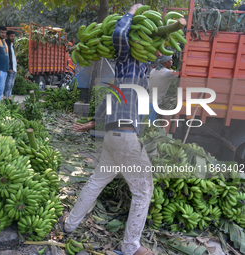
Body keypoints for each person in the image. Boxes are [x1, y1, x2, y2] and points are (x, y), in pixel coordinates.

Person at [63, 4, 158, 255]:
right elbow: (118, 36)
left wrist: (93, 123)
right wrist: (132, 12)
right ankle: (130, 247)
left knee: (96, 182)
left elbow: (109, 99)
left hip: (113, 137)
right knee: (143, 191)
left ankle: (70, 224)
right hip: (126, 139)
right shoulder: (129, 61)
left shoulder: (138, 71)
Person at [148, 55, 177, 122]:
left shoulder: (153, 71)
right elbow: (181, 74)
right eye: (171, 60)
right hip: (153, 103)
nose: (172, 62)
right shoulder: (167, 73)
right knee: (148, 124)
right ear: (165, 62)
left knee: (144, 123)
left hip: (148, 99)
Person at [3, 30, 17, 100]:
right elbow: (6, 57)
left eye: (14, 36)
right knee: (8, 86)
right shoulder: (6, 44)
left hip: (14, 68)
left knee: (11, 85)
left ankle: (9, 100)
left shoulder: (12, 45)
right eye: (11, 36)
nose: (13, 38)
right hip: (10, 69)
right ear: (7, 36)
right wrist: (9, 67)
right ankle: (6, 100)